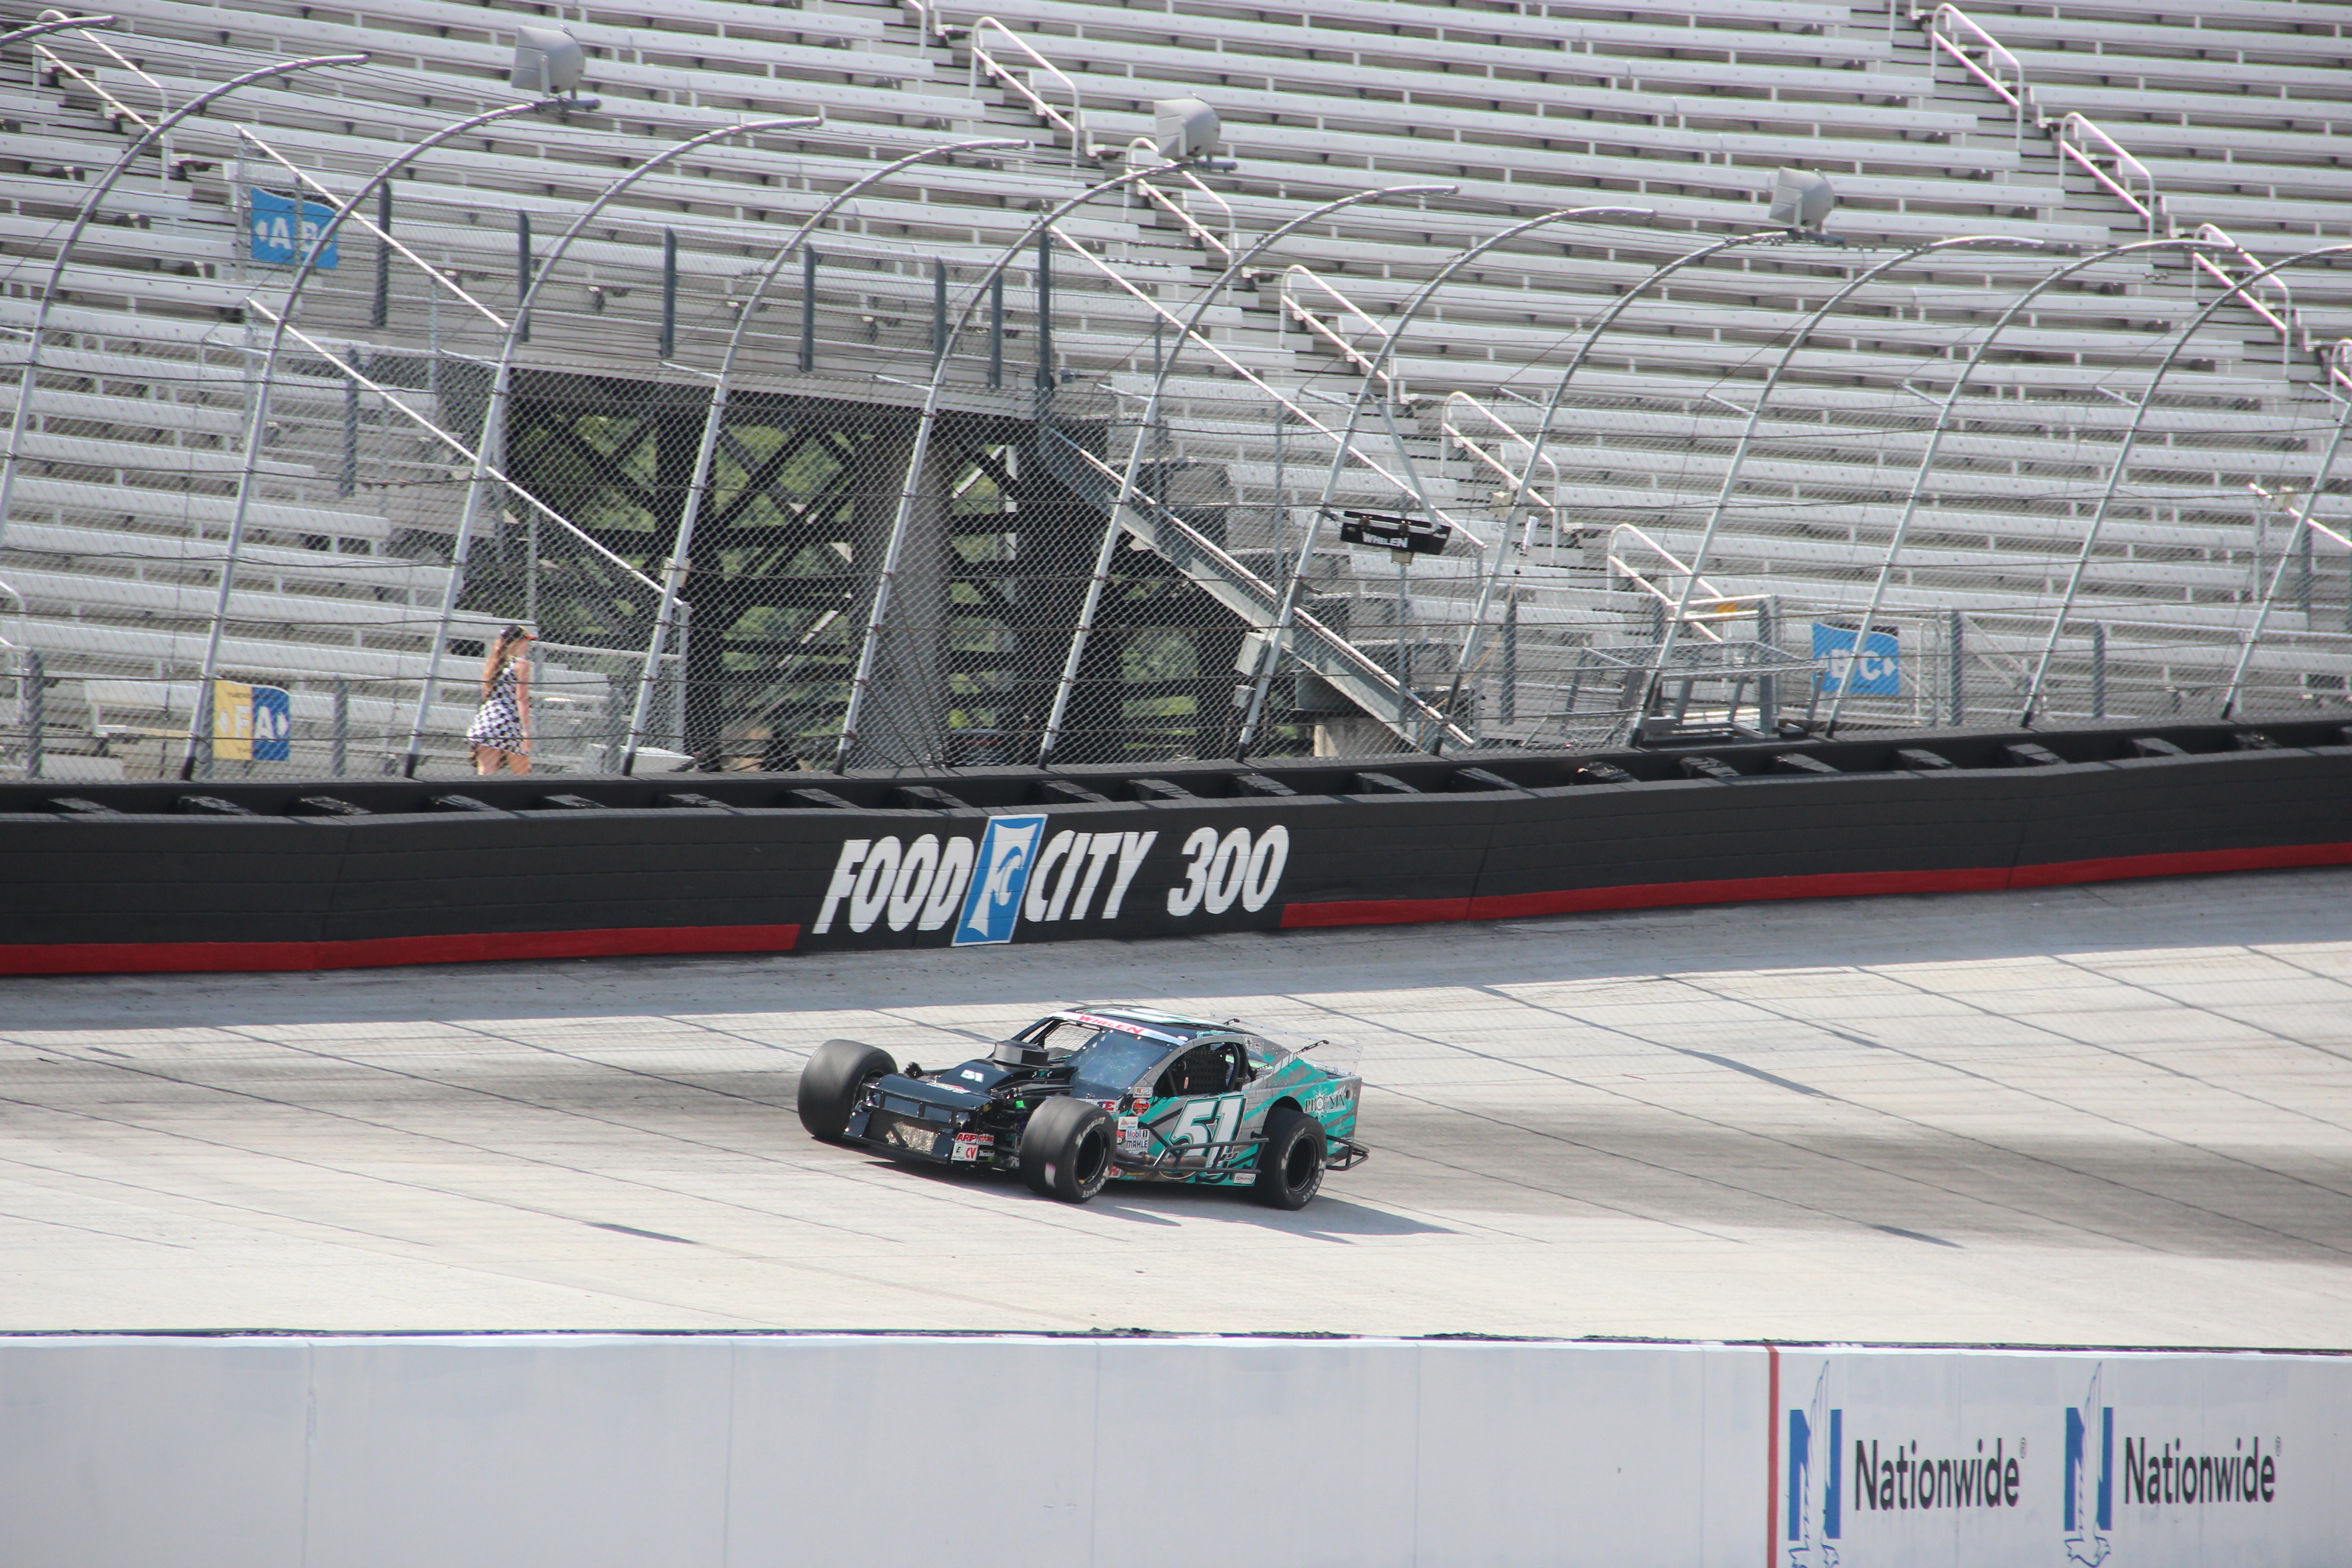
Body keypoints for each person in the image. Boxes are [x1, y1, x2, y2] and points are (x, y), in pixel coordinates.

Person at [466, 625, 534, 774]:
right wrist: (525, 731)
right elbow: (521, 699)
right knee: (522, 773)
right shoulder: (521, 665)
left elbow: (486, 693)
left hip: (488, 719)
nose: (528, 645)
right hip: (509, 722)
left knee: (486, 771)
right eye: (526, 641)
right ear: (517, 642)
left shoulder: (493, 663)